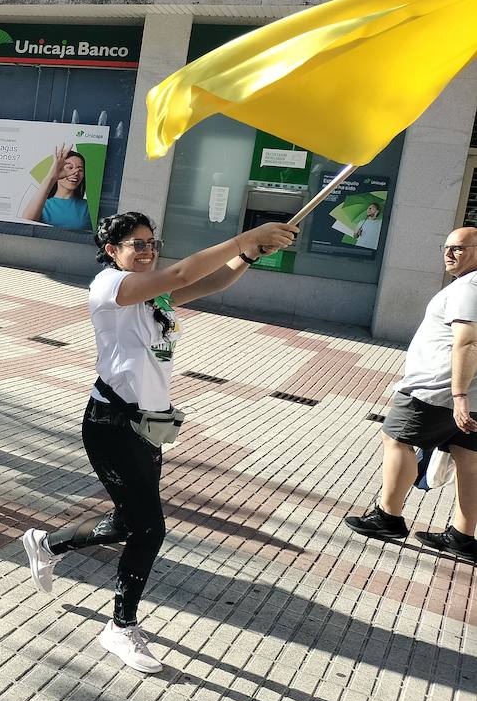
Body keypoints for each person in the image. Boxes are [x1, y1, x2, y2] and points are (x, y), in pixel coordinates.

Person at [21, 211, 297, 673]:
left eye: (152, 242)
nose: (148, 251)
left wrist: (249, 253)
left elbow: (208, 284)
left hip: (147, 425)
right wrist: (246, 234)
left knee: (129, 522)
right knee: (150, 528)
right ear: (112, 251)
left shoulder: (153, 295)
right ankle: (121, 627)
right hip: (110, 424)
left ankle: (47, 545)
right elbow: (186, 271)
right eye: (136, 244)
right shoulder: (110, 286)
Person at [343, 228, 477, 563]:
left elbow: (467, 341)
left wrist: (458, 394)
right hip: (470, 393)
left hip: (438, 389)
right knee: (468, 459)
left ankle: (387, 517)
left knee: (396, 439)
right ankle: (462, 536)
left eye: (459, 248)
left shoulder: (470, 287)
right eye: (446, 247)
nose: (449, 254)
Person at [24, 145, 91, 230]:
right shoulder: (41, 204)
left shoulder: (88, 208)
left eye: (80, 170)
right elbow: (25, 225)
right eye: (69, 167)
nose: (75, 172)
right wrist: (51, 177)